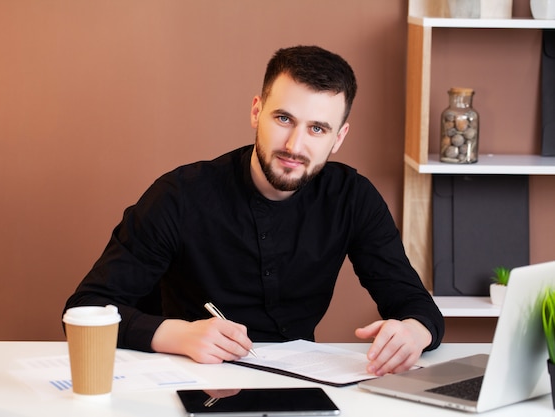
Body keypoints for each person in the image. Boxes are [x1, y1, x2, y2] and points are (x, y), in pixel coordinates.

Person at [64, 45, 444, 376]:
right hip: (191, 378)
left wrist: (414, 330)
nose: (295, 145)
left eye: (317, 129)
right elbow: (85, 309)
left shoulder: (353, 197)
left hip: (301, 387)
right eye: (284, 119)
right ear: (256, 111)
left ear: (339, 137)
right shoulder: (179, 195)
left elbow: (416, 306)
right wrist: (180, 334)